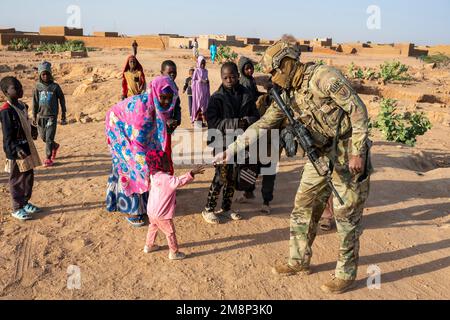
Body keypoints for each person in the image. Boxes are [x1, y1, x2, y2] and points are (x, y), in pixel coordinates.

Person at [215, 39, 372, 294]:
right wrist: (230, 151)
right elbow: (262, 125)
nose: (273, 78)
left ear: (287, 64)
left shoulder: (324, 77)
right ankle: (298, 261)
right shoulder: (285, 95)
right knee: (304, 205)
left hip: (346, 151)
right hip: (319, 153)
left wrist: (358, 152)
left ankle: (346, 273)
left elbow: (358, 111)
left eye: (275, 71)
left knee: (346, 214)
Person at [105, 76, 179, 227]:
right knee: (134, 165)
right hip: (117, 125)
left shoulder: (163, 105)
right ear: (156, 94)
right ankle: (133, 209)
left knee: (150, 161)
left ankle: (145, 203)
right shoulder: (142, 108)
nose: (166, 102)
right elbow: (138, 145)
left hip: (139, 130)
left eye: (169, 98)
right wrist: (144, 166)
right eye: (163, 98)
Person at [202, 62, 260, 224]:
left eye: (233, 76)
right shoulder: (216, 98)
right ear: (221, 78)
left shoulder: (246, 94)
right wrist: (237, 123)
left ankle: (226, 208)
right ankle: (208, 209)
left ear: (238, 76)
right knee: (221, 176)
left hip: (241, 142)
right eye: (226, 77)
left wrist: (248, 121)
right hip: (221, 143)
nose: (229, 80)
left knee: (233, 177)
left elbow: (256, 117)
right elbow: (213, 122)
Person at [144, 150, 205, 260]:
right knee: (170, 232)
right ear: (160, 164)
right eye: (167, 161)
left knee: (152, 227)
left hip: (151, 210)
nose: (169, 163)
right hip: (162, 214)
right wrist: (191, 173)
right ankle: (174, 252)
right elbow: (179, 181)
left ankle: (149, 246)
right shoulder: (167, 179)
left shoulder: (153, 175)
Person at [1, 76, 42, 221]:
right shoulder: (6, 111)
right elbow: (7, 136)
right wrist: (14, 149)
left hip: (26, 147)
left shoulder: (22, 106)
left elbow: (26, 122)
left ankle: (25, 202)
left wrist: (32, 129)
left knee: (28, 177)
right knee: (17, 179)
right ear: (6, 92)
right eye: (15, 88)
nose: (19, 89)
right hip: (16, 151)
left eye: (20, 86)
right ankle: (17, 207)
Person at [32, 61, 66, 167]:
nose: (45, 76)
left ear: (50, 74)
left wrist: (63, 114)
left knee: (49, 138)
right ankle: (54, 146)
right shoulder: (37, 87)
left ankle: (48, 158)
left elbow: (62, 100)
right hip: (41, 116)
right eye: (43, 74)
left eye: (47, 74)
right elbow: (35, 102)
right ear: (40, 75)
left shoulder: (55, 87)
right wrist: (34, 115)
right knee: (43, 137)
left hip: (52, 116)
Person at [191, 56, 210, 127]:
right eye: (201, 63)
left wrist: (207, 81)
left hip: (204, 91)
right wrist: (200, 81)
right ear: (199, 63)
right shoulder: (196, 71)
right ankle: (196, 122)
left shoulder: (206, 71)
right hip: (197, 92)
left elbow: (207, 79)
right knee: (198, 106)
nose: (203, 65)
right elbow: (193, 81)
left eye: (204, 63)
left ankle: (203, 121)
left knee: (204, 106)